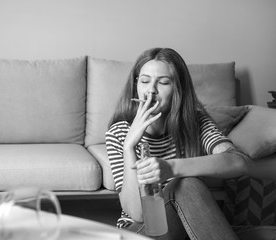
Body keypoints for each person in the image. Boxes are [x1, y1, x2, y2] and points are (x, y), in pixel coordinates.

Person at [105, 47, 252, 240]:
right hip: (140, 232)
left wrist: (171, 168)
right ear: (136, 86)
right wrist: (129, 147)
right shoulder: (119, 132)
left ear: (178, 88)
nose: (151, 90)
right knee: (187, 184)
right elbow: (137, 214)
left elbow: (239, 163)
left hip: (186, 227)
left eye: (163, 82)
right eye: (145, 81)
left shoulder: (195, 122)